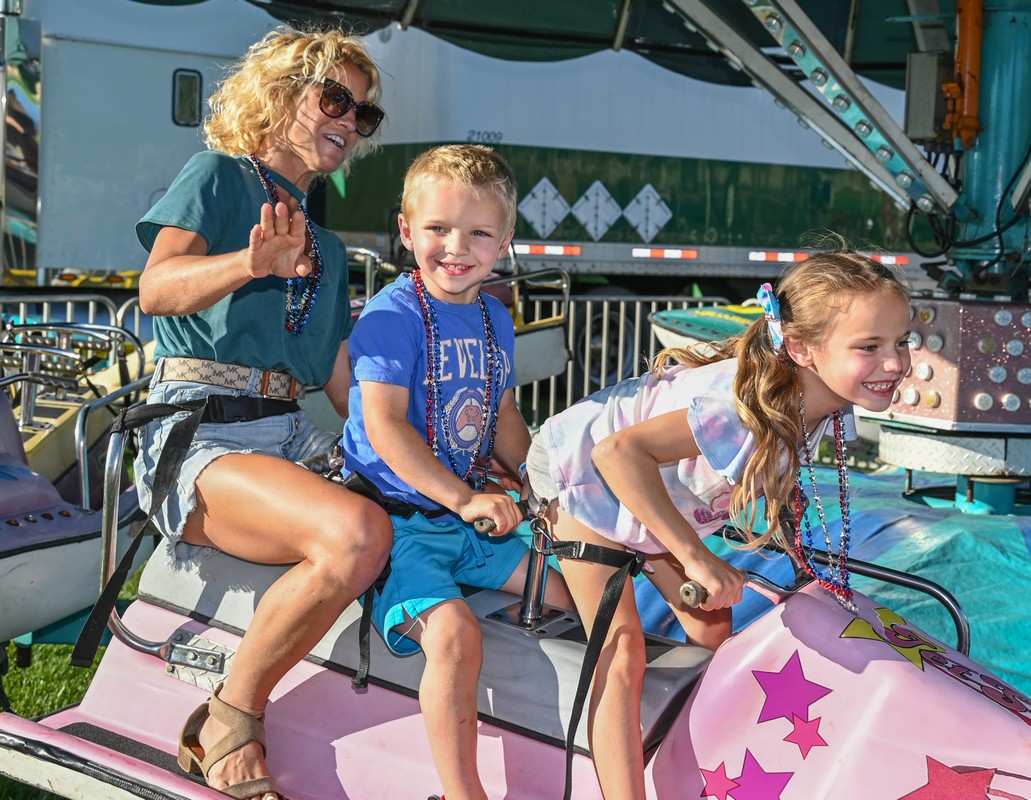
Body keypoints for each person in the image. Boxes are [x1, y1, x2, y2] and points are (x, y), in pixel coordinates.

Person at [525, 249, 912, 798]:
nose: (894, 362)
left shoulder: (820, 401)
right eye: (870, 347)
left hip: (650, 496)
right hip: (579, 476)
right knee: (623, 646)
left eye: (902, 342)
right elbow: (617, 453)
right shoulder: (740, 408)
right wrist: (695, 556)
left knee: (711, 629)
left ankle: (691, 762)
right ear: (801, 348)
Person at [133, 26, 393, 800]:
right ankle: (230, 716)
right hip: (199, 428)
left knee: (417, 513)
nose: (350, 122)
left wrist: (444, 459)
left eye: (365, 114)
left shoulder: (330, 246)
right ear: (281, 93)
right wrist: (249, 262)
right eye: (336, 99)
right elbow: (154, 291)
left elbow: (347, 388)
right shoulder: (217, 177)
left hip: (290, 433)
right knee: (356, 533)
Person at [337, 144, 572, 800]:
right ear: (406, 230)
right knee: (452, 631)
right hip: (400, 522)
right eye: (437, 228)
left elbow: (501, 419)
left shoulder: (496, 317)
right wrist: (463, 496)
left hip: (468, 520)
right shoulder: (392, 315)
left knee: (572, 592)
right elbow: (385, 427)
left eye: (477, 232)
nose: (454, 247)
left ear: (504, 241)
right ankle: (461, 791)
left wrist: (540, 485)